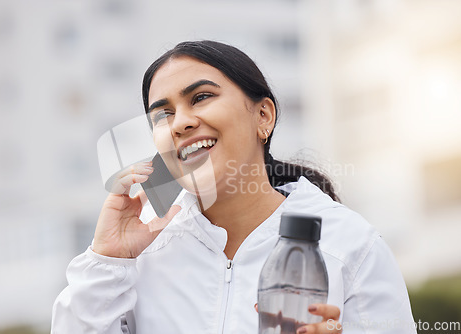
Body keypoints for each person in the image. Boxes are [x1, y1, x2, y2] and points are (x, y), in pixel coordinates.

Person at [52, 40, 416, 334]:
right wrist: (107, 260)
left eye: (201, 97)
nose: (180, 123)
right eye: (162, 115)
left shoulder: (350, 246)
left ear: (263, 116)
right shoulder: (138, 259)